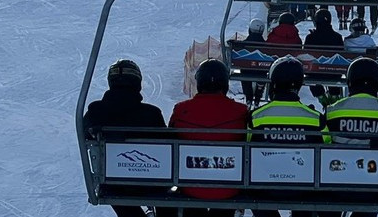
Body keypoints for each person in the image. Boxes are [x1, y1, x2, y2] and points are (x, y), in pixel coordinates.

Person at [323, 58, 378, 217]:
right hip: (374, 187)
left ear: (350, 81)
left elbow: (321, 140)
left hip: (335, 184)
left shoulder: (333, 111)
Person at [249, 57, 336, 217]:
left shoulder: (256, 117)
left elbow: (246, 145)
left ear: (273, 83)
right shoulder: (315, 119)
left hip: (264, 187)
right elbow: (327, 146)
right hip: (305, 188)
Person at [83, 60, 167, 217]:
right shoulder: (151, 114)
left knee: (117, 194)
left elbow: (85, 136)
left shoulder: (95, 112)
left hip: (113, 183)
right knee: (166, 192)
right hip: (152, 182)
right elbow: (167, 143)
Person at [169, 59, 249, 216]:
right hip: (229, 186)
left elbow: (170, 140)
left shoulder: (182, 110)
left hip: (189, 185)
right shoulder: (240, 112)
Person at [305, 9, 345, 102]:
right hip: (334, 73)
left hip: (314, 73)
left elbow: (305, 55)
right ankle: (334, 95)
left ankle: (321, 96)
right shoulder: (337, 37)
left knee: (312, 76)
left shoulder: (310, 38)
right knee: (335, 74)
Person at [240, 18, 267, 107]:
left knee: (244, 70)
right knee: (263, 70)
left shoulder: (243, 44)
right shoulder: (266, 46)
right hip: (261, 70)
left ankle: (248, 97)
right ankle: (258, 97)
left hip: (247, 70)